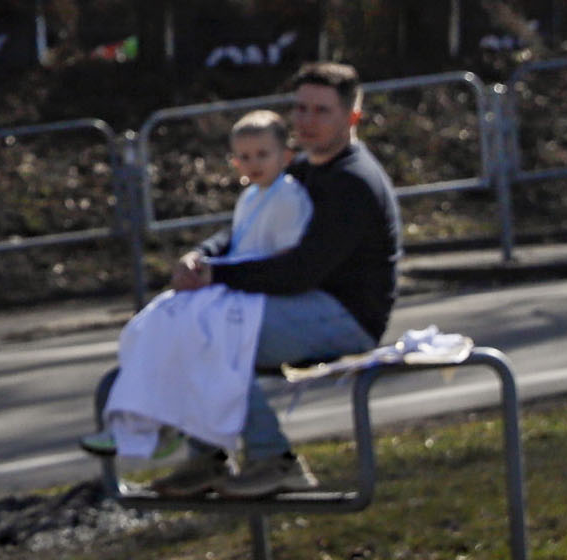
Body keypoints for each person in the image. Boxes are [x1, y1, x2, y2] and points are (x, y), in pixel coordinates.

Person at [158, 63, 400, 499]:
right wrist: (202, 256)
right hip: (301, 302)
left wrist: (218, 274)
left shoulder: (354, 182)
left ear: (352, 117)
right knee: (189, 326)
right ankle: (207, 458)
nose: (306, 120)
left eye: (321, 111)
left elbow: (299, 272)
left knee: (219, 335)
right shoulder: (301, 168)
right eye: (300, 108)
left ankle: (276, 461)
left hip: (345, 316)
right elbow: (245, 229)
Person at [93, 112, 311, 465]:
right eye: (245, 156)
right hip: (237, 287)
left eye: (263, 154)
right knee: (154, 320)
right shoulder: (251, 197)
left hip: (253, 294)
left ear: (285, 156)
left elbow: (282, 257)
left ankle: (166, 428)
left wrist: (223, 276)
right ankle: (142, 423)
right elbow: (234, 243)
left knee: (192, 334)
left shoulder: (288, 196)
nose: (253, 163)